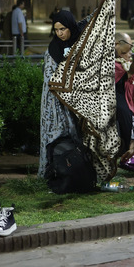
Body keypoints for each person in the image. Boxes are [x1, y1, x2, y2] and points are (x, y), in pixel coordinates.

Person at [39, 10, 86, 179]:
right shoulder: (53, 50)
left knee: (76, 136)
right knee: (57, 135)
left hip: (74, 98)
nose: (60, 33)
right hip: (55, 102)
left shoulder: (78, 39)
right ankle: (54, 173)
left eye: (63, 29)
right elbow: (51, 81)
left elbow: (90, 20)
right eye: (57, 30)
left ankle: (75, 172)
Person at [115, 32, 134, 162]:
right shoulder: (107, 60)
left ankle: (132, 148)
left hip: (124, 95)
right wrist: (129, 73)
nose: (131, 49)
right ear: (117, 44)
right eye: (129, 45)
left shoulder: (123, 62)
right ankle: (128, 149)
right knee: (126, 113)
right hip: (111, 97)